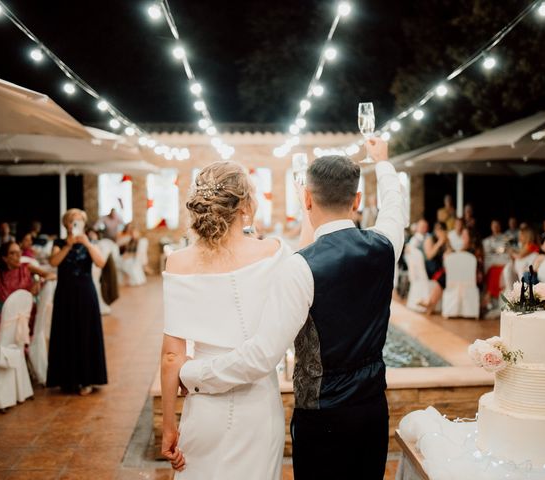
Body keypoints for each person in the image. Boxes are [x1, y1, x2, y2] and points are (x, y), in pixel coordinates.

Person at [174, 139, 405, 479]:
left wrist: (191, 374)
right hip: (372, 410)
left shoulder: (300, 267)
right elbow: (394, 206)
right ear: (356, 201)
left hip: (321, 418)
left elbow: (262, 356)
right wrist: (382, 162)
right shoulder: (386, 245)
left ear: (307, 199)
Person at [160, 161, 294, 477]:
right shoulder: (274, 252)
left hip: (205, 404)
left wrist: (168, 426)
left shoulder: (178, 262)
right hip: (259, 404)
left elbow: (171, 356)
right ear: (245, 204)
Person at [47, 208, 107, 396]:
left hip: (85, 293)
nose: (75, 224)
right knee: (65, 332)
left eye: (79, 220)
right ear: (66, 224)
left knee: (86, 332)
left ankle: (87, 379)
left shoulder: (90, 242)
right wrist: (68, 245)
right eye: (73, 220)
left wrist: (87, 244)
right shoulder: (59, 243)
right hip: (65, 293)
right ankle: (68, 379)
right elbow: (54, 262)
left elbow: (101, 263)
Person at [0, 241, 54, 341]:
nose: (19, 255)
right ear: (5, 258)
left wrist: (40, 281)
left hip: (28, 316)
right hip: (7, 318)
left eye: (19, 251)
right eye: (13, 253)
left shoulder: (26, 267)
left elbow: (52, 275)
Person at [420, 222, 452, 314]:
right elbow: (429, 255)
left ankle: (429, 304)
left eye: (442, 230)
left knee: (446, 277)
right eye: (437, 230)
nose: (439, 232)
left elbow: (450, 254)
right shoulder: (429, 239)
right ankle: (429, 303)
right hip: (431, 268)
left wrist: (447, 244)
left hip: (442, 269)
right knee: (445, 278)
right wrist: (439, 243)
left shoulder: (446, 240)